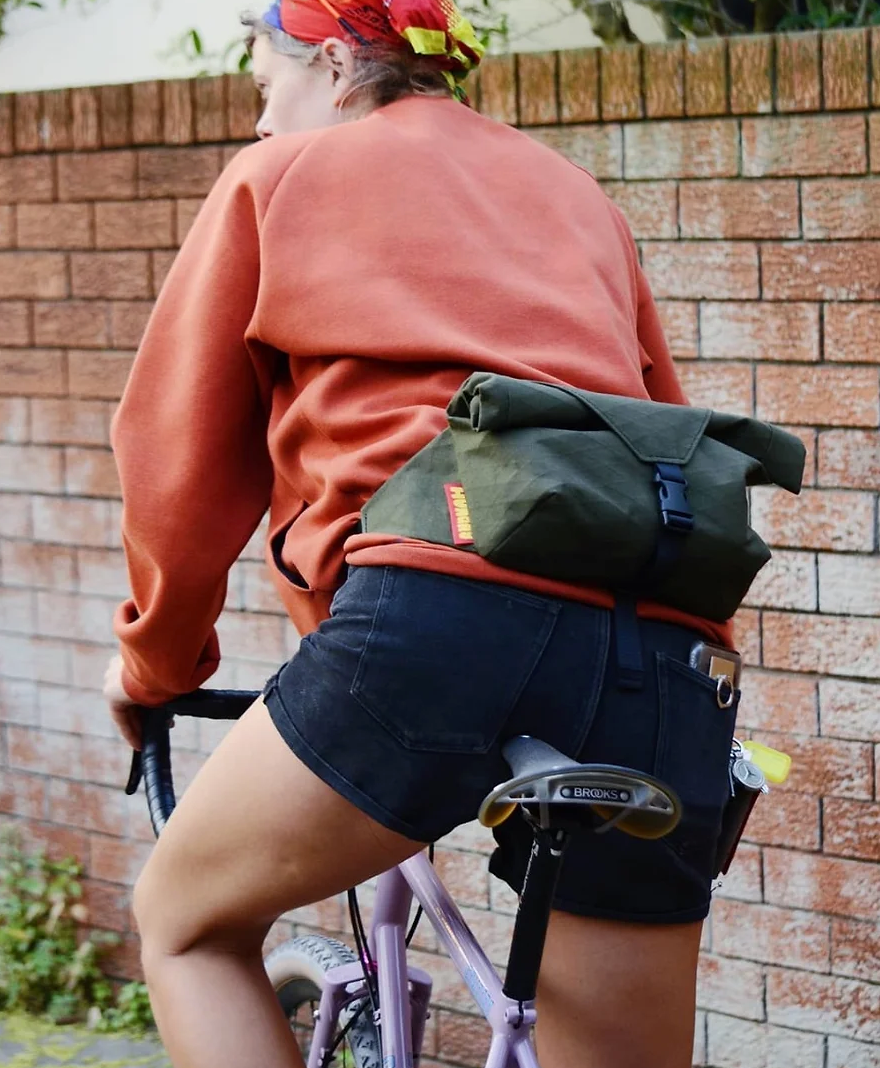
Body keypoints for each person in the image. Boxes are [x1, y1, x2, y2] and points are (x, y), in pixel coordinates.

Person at [103, 3, 739, 1066]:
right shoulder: (576, 196)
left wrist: (155, 665)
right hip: (664, 652)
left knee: (185, 923)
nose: (261, 124)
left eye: (266, 90)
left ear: (336, 65)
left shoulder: (280, 176)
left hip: (434, 622)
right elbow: (656, 426)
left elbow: (178, 461)